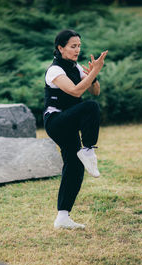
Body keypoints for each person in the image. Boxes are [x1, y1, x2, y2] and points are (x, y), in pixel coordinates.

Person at [43, 29, 108, 229]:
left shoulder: (76, 67)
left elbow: (95, 91)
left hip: (69, 121)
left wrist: (92, 76)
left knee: (74, 165)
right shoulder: (55, 71)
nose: (77, 50)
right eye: (73, 46)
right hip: (56, 121)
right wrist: (95, 71)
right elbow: (75, 90)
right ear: (60, 48)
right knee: (90, 107)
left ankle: (62, 217)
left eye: (79, 46)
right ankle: (88, 149)